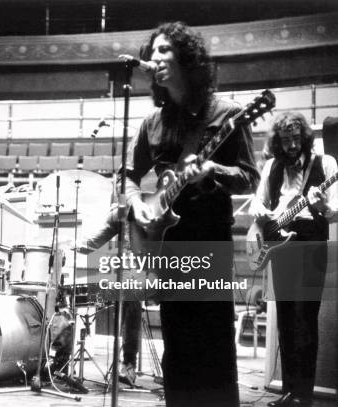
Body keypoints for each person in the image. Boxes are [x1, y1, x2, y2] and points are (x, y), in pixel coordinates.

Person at [125, 22, 259, 406]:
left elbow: (249, 177)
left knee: (213, 345)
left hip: (208, 238)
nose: (155, 59)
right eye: (152, 53)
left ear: (187, 58)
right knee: (178, 345)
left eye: (165, 50)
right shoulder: (152, 123)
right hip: (169, 244)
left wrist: (213, 170)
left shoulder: (228, 113)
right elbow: (128, 175)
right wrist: (136, 201)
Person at [249, 112, 338, 407]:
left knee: (305, 319)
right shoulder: (273, 165)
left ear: (304, 139)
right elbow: (258, 202)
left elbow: (335, 211)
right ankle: (289, 392)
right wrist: (262, 214)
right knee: (286, 318)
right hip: (280, 245)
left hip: (311, 245)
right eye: (285, 140)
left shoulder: (326, 164)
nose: (290, 145)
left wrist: (323, 205)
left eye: (295, 139)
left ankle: (303, 395)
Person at [75, 205, 142, 387]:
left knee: (132, 304)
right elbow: (97, 239)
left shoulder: (148, 212)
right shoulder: (120, 214)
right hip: (125, 272)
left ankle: (129, 364)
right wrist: (75, 243)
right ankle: (124, 365)